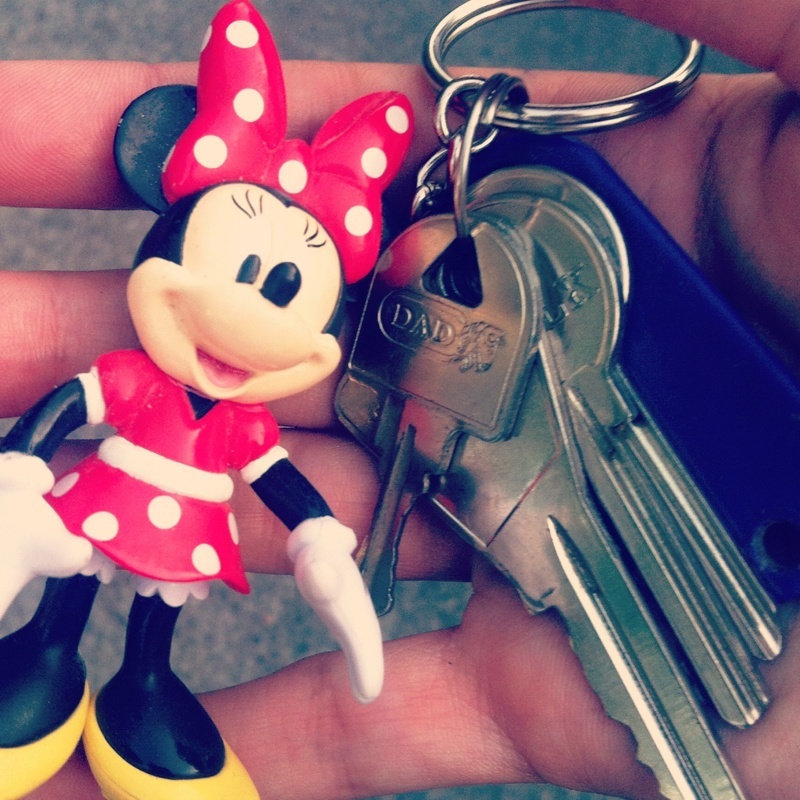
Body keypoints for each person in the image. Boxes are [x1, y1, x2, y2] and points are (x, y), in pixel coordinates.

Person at [3, 0, 799, 797]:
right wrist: (17, 485)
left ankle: (143, 691)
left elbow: (286, 490)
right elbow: (60, 413)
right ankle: (42, 657)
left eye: (285, 293)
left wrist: (323, 549)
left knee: (156, 624)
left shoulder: (243, 427)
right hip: (99, 507)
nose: (247, 320)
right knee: (67, 594)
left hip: (184, 540)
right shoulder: (133, 381)